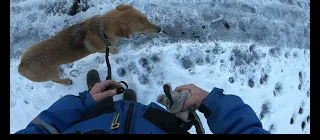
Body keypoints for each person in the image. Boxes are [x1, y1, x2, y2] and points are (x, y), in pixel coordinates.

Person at [15, 69, 269, 134]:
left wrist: (83, 104)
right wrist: (210, 104)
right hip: (157, 125)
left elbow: (41, 129)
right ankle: (128, 106)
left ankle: (115, 104)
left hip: (96, 122)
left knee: (112, 110)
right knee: (132, 112)